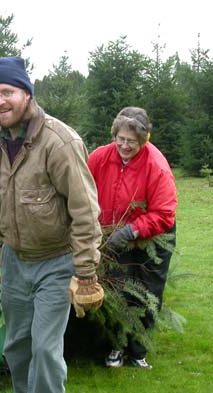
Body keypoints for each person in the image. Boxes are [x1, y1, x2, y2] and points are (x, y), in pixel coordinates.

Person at [0, 56, 103, 393]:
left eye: (8, 91)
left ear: (26, 94)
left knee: (46, 350)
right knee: (17, 347)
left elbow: (84, 210)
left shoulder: (58, 142)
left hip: (56, 261)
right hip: (14, 260)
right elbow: (6, 188)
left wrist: (86, 273)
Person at [88, 106, 177, 369]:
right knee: (117, 289)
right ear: (114, 135)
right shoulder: (100, 158)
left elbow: (164, 213)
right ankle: (115, 347)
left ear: (144, 140)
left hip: (153, 237)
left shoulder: (156, 165)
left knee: (146, 292)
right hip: (112, 235)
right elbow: (81, 187)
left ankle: (137, 352)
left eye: (132, 142)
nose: (125, 146)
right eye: (121, 139)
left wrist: (130, 231)